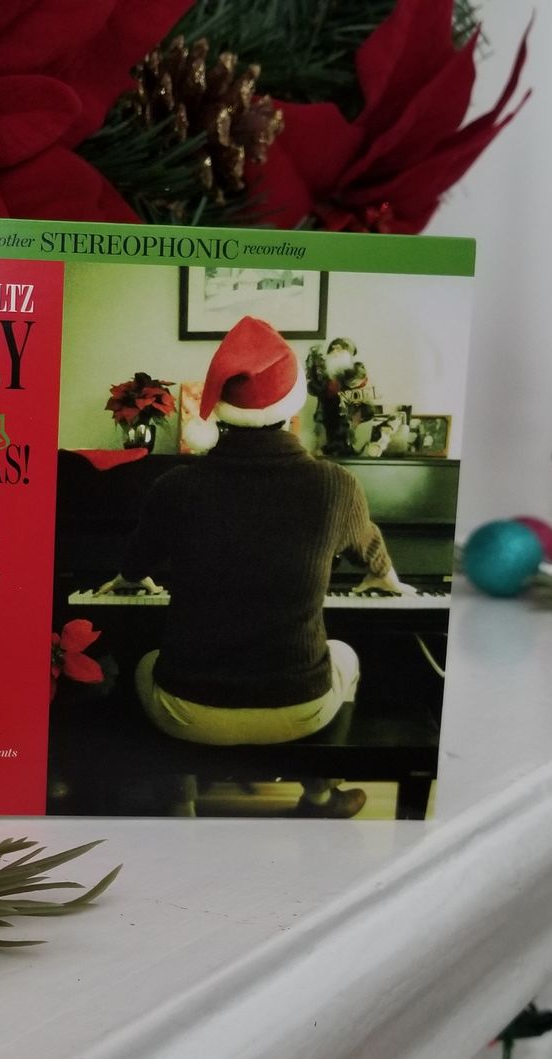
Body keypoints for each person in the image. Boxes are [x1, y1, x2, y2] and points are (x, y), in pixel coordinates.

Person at [97, 315, 407, 817]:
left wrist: (129, 577)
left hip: (191, 711)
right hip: (298, 709)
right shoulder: (336, 485)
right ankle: (319, 795)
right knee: (346, 656)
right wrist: (385, 576)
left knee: (147, 662)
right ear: (293, 405)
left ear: (222, 410)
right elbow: (372, 551)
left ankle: (180, 801)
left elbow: (135, 563)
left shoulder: (175, 487)